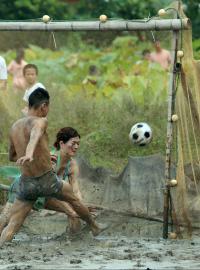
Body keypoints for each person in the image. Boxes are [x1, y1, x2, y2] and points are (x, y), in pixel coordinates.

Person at [0, 88, 105, 247]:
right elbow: (35, 134)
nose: (47, 111)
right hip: (47, 180)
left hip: (26, 184)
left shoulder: (14, 127)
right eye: (48, 107)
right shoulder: (41, 120)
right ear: (43, 106)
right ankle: (95, 226)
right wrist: (29, 153)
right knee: (74, 199)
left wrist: (36, 155)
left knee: (12, 226)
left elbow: (12, 156)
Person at [0, 127, 90, 235]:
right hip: (23, 187)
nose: (76, 147)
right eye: (73, 143)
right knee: (6, 219)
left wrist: (81, 206)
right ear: (62, 143)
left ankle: (75, 238)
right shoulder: (50, 158)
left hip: (45, 193)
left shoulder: (72, 165)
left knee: (74, 210)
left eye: (78, 144)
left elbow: (75, 190)